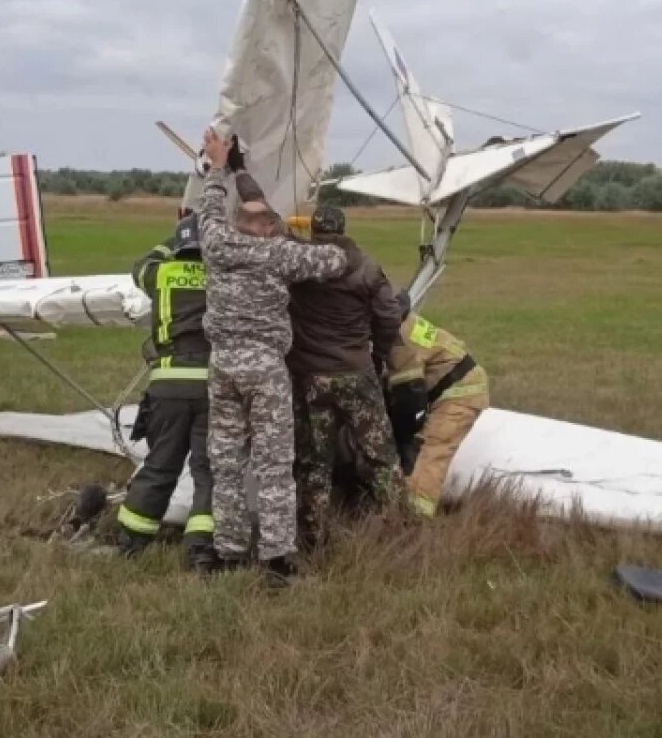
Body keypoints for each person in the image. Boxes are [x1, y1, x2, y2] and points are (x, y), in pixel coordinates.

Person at [194, 127, 350, 585]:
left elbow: (210, 207)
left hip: (222, 366)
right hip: (263, 369)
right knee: (275, 466)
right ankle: (278, 561)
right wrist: (320, 237)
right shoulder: (278, 254)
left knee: (226, 464)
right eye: (270, 221)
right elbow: (334, 263)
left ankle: (228, 552)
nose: (273, 224)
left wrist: (223, 167)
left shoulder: (217, 245)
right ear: (263, 229)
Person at [287, 205, 405, 550]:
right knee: (381, 456)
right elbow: (388, 317)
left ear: (314, 230)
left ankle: (312, 540)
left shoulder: (297, 266)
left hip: (310, 378)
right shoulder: (367, 267)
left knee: (313, 462)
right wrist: (379, 356)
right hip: (356, 373)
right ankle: (400, 531)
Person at [116, 213, 216, 571]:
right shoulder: (222, 277)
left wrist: (170, 241)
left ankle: (131, 540)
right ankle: (202, 549)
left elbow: (139, 264)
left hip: (168, 384)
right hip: (212, 387)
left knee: (160, 464)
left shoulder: (160, 273)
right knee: (209, 470)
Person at [386, 292, 489, 518]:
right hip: (448, 382)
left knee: (431, 453)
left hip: (461, 391)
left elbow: (409, 396)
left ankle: (415, 519)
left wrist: (401, 435)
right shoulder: (403, 320)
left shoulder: (398, 338)